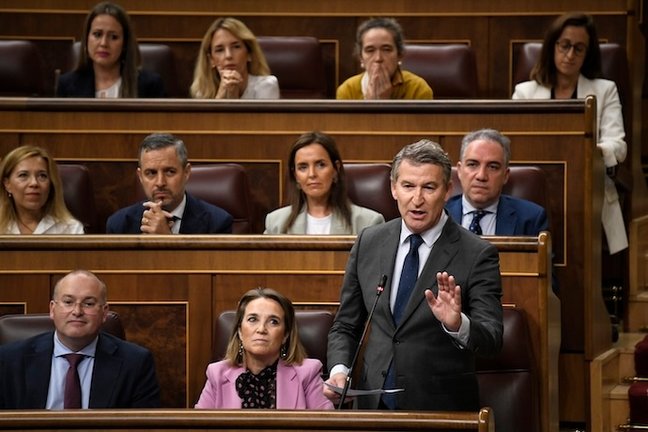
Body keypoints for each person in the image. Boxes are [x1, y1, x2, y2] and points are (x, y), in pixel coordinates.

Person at [324, 139, 503, 411]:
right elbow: (346, 325)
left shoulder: (477, 253)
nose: (417, 199)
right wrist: (339, 369)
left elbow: (491, 339)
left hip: (439, 409)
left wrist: (457, 324)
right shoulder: (369, 241)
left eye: (429, 187)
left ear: (447, 190)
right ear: (393, 188)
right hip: (374, 405)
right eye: (408, 186)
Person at [512, 12, 628, 254]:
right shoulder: (525, 93)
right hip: (538, 185)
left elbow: (618, 145)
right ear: (552, 46)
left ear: (587, 54)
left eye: (579, 48)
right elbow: (514, 144)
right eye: (564, 45)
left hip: (588, 185)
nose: (570, 55)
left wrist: (583, 152)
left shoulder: (605, 90)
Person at [0, 270, 161, 409]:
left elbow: (144, 427)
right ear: (52, 309)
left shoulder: (135, 363)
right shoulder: (10, 360)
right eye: (68, 302)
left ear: (104, 312)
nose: (77, 311)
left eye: (88, 303)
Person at [195, 288, 333, 409]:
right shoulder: (217, 374)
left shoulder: (308, 375)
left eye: (273, 321)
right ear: (240, 332)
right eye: (252, 319)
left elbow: (328, 428)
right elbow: (199, 428)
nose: (261, 329)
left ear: (285, 335)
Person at [106, 133, 232, 234]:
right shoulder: (119, 224)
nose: (160, 182)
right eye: (151, 173)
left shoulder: (217, 223)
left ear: (186, 172)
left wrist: (166, 239)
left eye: (170, 172)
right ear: (140, 177)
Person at [264, 131, 384, 234]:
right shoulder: (276, 223)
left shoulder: (368, 223)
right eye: (303, 167)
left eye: (321, 165)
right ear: (295, 175)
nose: (312, 174)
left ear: (335, 170)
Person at [445, 128, 548, 236]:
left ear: (505, 175)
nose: (481, 176)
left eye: (493, 167)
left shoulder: (532, 219)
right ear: (460, 171)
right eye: (472, 164)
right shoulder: (438, 214)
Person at [56, 1, 165, 98]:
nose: (103, 43)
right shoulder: (67, 85)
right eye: (97, 34)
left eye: (113, 37)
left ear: (125, 44)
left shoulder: (150, 85)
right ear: (86, 39)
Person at [336, 17, 432, 100]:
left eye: (386, 49)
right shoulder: (347, 90)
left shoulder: (418, 88)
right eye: (370, 50)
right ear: (361, 58)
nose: (378, 58)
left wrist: (385, 103)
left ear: (399, 55)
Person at [0, 145, 83, 234]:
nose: (34, 183)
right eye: (23, 175)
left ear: (51, 183)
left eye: (42, 176)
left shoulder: (70, 229)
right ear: (7, 184)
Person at [190, 17, 279, 99]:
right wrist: (220, 96)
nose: (228, 55)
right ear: (211, 60)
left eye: (236, 47)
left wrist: (234, 98)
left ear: (249, 54)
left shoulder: (266, 85)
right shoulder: (204, 91)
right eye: (220, 50)